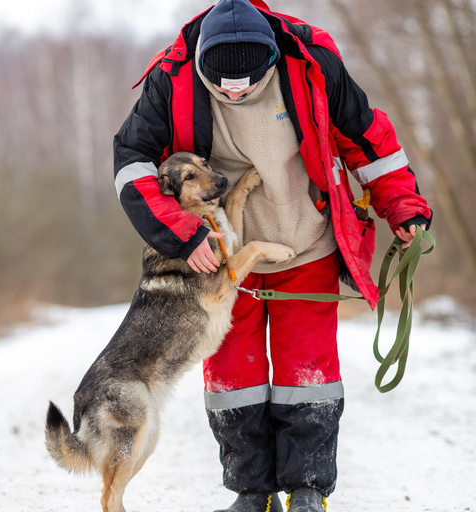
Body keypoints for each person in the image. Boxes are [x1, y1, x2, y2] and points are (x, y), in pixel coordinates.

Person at [113, 1, 432, 511]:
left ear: (270, 59)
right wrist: (182, 236)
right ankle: (251, 492)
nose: (236, 92)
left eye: (247, 83)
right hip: (220, 259)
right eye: (224, 85)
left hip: (307, 242)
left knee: (308, 370)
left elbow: (367, 139)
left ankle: (307, 489)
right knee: (231, 376)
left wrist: (403, 206)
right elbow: (133, 162)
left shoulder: (311, 63)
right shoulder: (171, 80)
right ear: (202, 64)